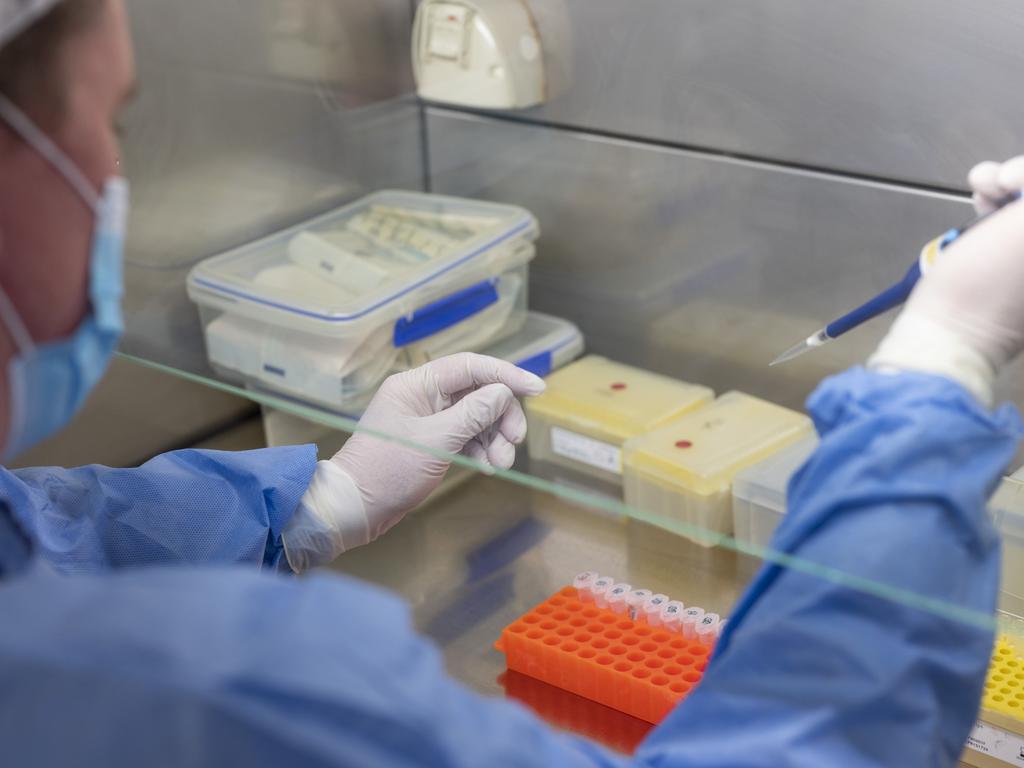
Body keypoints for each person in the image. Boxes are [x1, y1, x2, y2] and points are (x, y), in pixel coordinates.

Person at [0, 1, 1021, 765]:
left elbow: (31, 541)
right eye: (113, 125)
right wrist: (945, 351)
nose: (113, 178)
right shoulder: (192, 696)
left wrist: (317, 502)